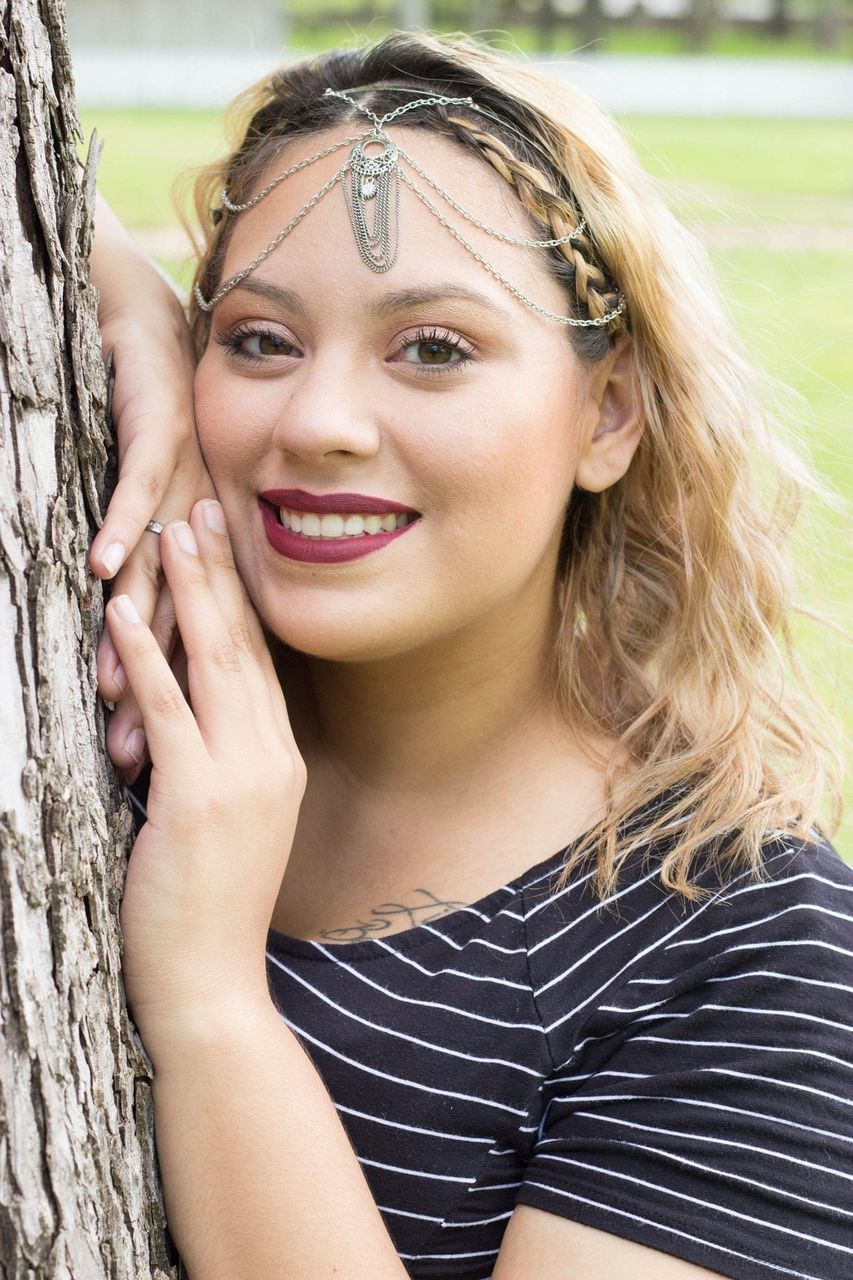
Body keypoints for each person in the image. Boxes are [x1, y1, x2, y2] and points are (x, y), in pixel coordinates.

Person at [87, 29, 851, 1280]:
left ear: (608, 413)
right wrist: (116, 295)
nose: (320, 422)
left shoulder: (749, 954)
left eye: (432, 348)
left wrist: (210, 995)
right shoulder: (101, 693)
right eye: (260, 341)